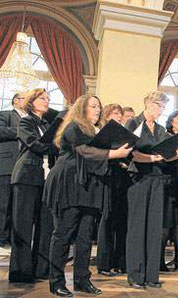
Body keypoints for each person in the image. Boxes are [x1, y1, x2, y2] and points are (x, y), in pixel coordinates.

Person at [43, 94, 132, 296]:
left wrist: (120, 156)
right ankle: (56, 282)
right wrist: (112, 154)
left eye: (99, 107)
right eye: (93, 106)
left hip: (91, 185)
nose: (98, 110)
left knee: (85, 237)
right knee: (63, 234)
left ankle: (82, 280)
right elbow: (84, 151)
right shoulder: (74, 126)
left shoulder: (99, 130)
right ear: (82, 109)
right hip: (70, 182)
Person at [125, 92, 178, 289]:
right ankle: (135, 275)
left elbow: (164, 155)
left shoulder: (160, 129)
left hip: (158, 179)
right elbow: (131, 153)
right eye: (158, 105)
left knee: (154, 228)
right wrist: (153, 159)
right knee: (137, 228)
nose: (161, 110)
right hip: (139, 179)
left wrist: (176, 156)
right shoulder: (133, 123)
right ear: (148, 103)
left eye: (163, 106)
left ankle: (151, 275)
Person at [8, 89, 56, 283]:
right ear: (31, 101)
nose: (47, 101)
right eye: (42, 98)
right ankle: (20, 272)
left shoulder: (47, 124)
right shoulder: (26, 121)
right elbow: (34, 144)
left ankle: (41, 269)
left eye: (48, 98)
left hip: (45, 177)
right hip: (26, 176)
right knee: (23, 224)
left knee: (45, 225)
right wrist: (55, 145)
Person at [96, 104, 130, 276]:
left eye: (119, 113)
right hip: (108, 178)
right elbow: (99, 154)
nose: (118, 115)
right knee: (107, 221)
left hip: (123, 180)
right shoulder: (102, 131)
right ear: (106, 116)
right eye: (114, 113)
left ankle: (120, 262)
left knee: (122, 221)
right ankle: (104, 264)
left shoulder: (124, 133)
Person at [160, 110, 178, 272]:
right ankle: (159, 260)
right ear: (172, 122)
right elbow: (163, 160)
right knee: (166, 224)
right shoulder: (166, 137)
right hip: (168, 183)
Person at [0, 93, 26, 247]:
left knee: (17, 204)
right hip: (7, 163)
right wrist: (23, 131)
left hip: (23, 167)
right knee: (4, 203)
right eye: (24, 98)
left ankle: (11, 236)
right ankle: (1, 236)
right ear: (15, 100)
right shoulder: (6, 114)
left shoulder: (33, 119)